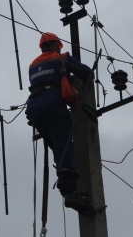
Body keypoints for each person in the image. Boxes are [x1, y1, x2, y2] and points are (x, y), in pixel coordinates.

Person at [26, 32, 94, 213]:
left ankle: (67, 186)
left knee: (57, 147)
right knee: (64, 145)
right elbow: (87, 73)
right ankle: (70, 192)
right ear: (57, 45)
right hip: (53, 105)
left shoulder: (33, 65)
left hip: (34, 110)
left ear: (42, 47)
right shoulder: (62, 58)